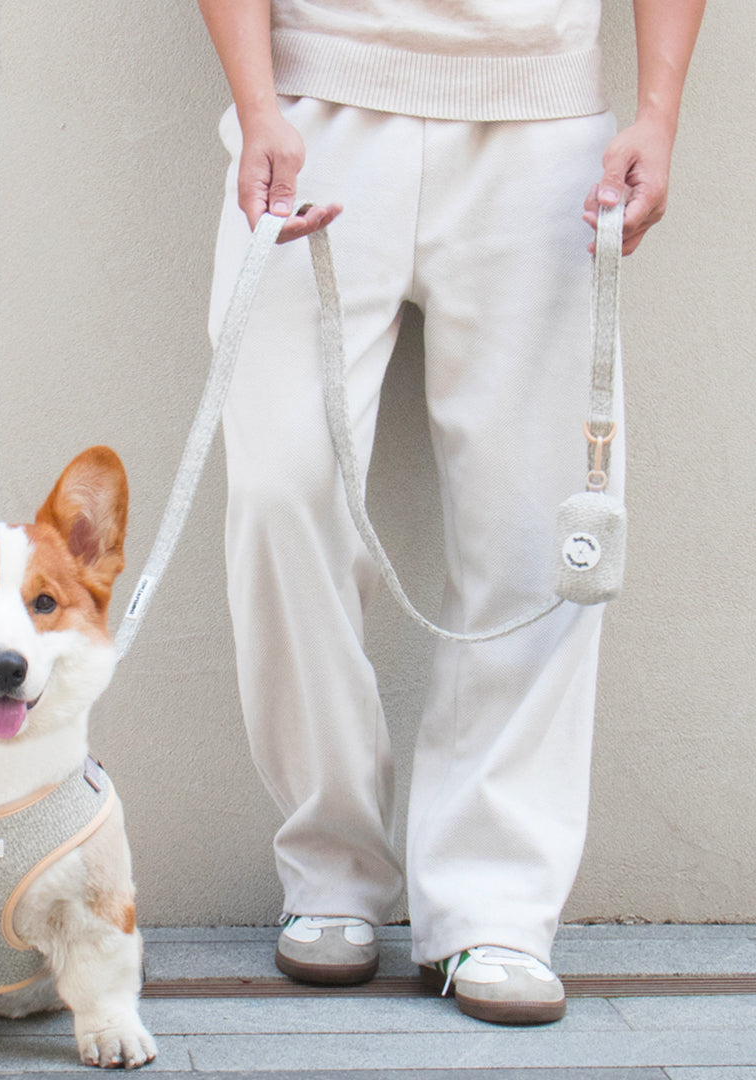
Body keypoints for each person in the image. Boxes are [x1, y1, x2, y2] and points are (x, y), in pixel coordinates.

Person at [198, 0, 704, 1024]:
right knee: (279, 486)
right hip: (315, 114)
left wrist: (658, 112)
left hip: (545, 128)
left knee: (538, 529)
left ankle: (495, 902)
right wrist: (256, 103)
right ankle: (332, 864)